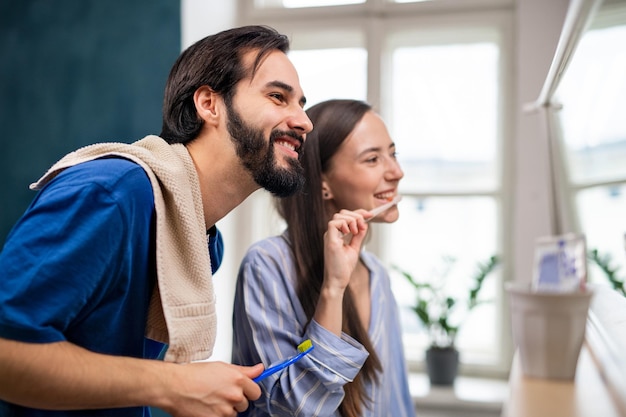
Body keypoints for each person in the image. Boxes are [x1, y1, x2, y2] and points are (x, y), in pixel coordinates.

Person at [0, 25, 313, 417]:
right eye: (278, 97)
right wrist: (174, 384)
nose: (304, 121)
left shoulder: (198, 238)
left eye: (301, 103)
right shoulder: (110, 195)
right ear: (209, 104)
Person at [232, 99, 416, 417]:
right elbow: (295, 408)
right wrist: (333, 289)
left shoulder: (377, 276)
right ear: (323, 183)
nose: (396, 172)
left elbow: (395, 400)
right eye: (373, 159)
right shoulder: (267, 265)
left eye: (393, 154)